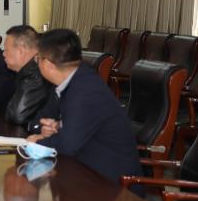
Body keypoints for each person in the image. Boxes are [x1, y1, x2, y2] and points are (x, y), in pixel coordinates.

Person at [27, 28, 142, 186]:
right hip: (88, 171)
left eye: (37, 59)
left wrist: (38, 142)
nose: (36, 63)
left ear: (47, 64)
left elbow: (67, 145)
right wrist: (58, 127)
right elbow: (78, 127)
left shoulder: (85, 90)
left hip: (112, 186)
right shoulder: (76, 79)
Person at [2, 25, 55, 131]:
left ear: (21, 51)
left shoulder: (34, 72)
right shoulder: (29, 69)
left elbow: (17, 115)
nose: (3, 54)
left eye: (6, 50)